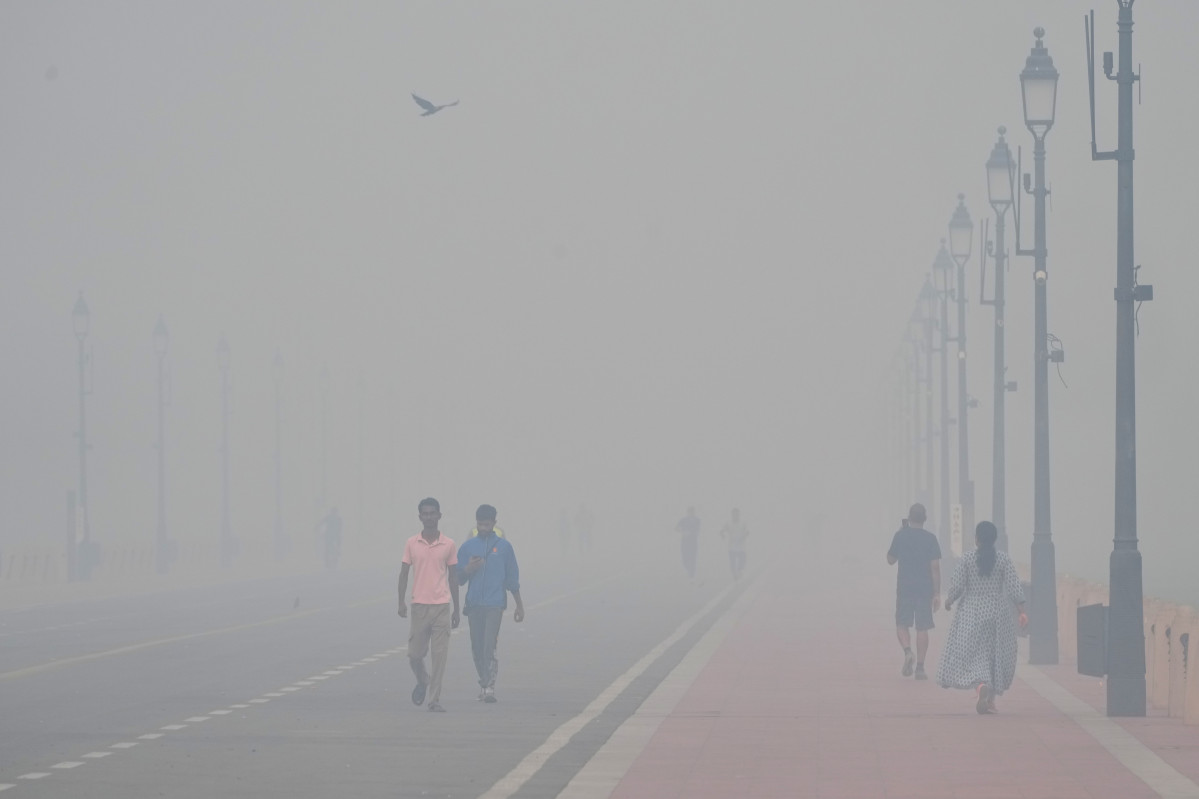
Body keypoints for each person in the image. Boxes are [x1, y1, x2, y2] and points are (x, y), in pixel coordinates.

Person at [936, 521, 1027, 714]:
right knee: (994, 655)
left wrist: (949, 600)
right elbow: (1013, 587)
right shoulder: (1003, 559)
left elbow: (958, 584)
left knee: (972, 655)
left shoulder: (968, 558)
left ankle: (980, 688)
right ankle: (990, 700)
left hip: (972, 611)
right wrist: (1021, 610)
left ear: (976, 538)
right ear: (994, 539)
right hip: (997, 611)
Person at [397, 498, 460, 713]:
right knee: (415, 655)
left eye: (433, 513)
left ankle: (434, 699)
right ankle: (423, 680)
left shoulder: (449, 544)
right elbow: (404, 573)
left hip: (442, 606)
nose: (429, 517)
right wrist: (401, 602)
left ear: (439, 516)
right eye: (425, 513)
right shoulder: (411, 543)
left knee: (439, 657)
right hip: (419, 607)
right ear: (420, 517)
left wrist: (457, 609)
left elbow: (453, 577)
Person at [456, 504, 524, 703]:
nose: (483, 528)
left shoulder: (504, 548)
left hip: (495, 604)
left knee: (489, 645)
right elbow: (458, 578)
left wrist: (519, 605)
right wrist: (468, 569)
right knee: (476, 647)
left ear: (494, 523)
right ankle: (483, 681)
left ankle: (489, 686)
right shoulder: (467, 547)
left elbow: (512, 577)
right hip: (474, 603)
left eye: (487, 524)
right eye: (480, 525)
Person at [887, 503, 941, 680]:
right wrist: (936, 593)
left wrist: (900, 533)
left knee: (902, 624)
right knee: (922, 627)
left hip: (905, 587)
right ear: (924, 519)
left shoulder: (900, 535)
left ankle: (908, 651)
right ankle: (920, 667)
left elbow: (890, 560)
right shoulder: (931, 539)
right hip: (924, 589)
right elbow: (935, 568)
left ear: (909, 518)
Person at [719, 508, 749, 580]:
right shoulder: (728, 523)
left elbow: (747, 531)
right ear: (732, 515)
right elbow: (722, 530)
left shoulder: (743, 522)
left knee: (742, 560)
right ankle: (734, 575)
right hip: (732, 546)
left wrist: (744, 537)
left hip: (741, 546)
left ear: (739, 514)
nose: (735, 515)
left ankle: (739, 570)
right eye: (734, 514)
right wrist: (722, 534)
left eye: (736, 514)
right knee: (732, 562)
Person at [675, 506, 701, 580]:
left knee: (693, 558)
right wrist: (683, 532)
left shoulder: (697, 520)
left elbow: (698, 530)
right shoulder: (683, 520)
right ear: (687, 512)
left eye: (692, 512)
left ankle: (692, 575)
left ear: (694, 512)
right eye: (689, 512)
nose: (691, 513)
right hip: (684, 542)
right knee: (684, 558)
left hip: (693, 542)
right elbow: (676, 528)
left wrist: (693, 533)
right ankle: (688, 569)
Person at [317, 507, 342, 571]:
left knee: (327, 548)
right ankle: (335, 555)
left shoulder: (329, 517)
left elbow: (320, 523)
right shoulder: (338, 518)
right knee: (330, 548)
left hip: (330, 535)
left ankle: (328, 561)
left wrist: (317, 528)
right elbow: (340, 528)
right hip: (334, 535)